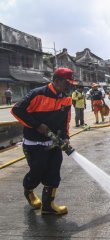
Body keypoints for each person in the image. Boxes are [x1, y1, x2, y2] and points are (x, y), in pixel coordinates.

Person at [11, 67, 75, 215]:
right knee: (37, 173)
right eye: (67, 82)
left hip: (54, 143)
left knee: (53, 173)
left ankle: (48, 206)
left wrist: (65, 137)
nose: (69, 86)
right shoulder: (37, 94)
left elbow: (65, 120)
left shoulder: (66, 97)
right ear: (57, 80)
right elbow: (17, 110)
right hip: (34, 144)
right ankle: (29, 190)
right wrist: (37, 125)